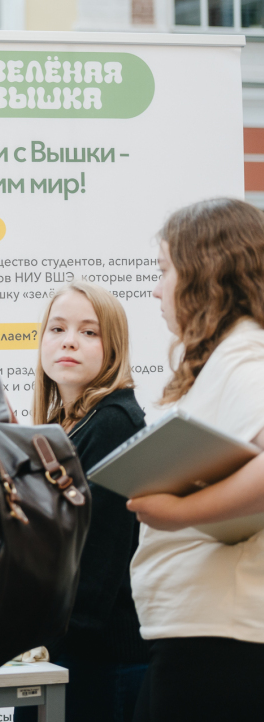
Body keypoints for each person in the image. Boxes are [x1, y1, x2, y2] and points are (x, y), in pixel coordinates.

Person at [125, 198, 264, 722]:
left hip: (221, 637)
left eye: (164, 271)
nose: (156, 289)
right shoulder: (222, 360)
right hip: (200, 631)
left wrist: (179, 512)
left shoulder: (244, 355)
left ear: (205, 272)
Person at [14, 281, 147, 722]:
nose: (69, 341)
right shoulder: (67, 425)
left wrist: (45, 645)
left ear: (114, 348)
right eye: (57, 329)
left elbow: (98, 564)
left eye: (89, 332)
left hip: (96, 661)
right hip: (66, 652)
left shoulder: (114, 423)